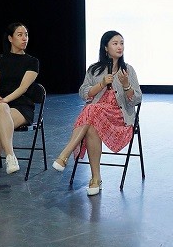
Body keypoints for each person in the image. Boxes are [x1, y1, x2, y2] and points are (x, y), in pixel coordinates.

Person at [51, 30, 143, 196]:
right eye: (115, 43)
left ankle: (65, 154)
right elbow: (83, 92)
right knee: (92, 122)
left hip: (119, 118)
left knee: (91, 110)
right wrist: (101, 84)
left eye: (122, 43)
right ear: (106, 48)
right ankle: (95, 178)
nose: (120, 47)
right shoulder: (94, 69)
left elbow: (136, 99)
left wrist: (126, 85)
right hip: (96, 116)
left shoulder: (128, 70)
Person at [0, 22, 39, 190]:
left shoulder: (32, 62)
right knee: (0, 110)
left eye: (26, 35)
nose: (24, 38)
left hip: (21, 106)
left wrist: (5, 100)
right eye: (20, 35)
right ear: (10, 38)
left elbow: (23, 88)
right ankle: (10, 154)